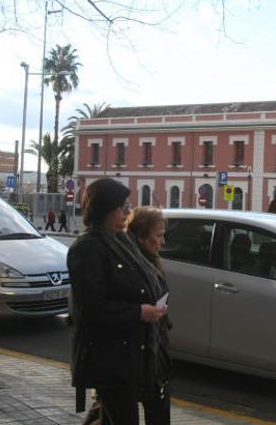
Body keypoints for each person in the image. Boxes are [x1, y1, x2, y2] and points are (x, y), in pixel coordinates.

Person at [67, 179, 169, 425]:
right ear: (104, 208)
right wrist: (138, 312)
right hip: (112, 359)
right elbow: (90, 309)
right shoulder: (88, 248)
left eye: (128, 205)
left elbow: (143, 283)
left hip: (141, 352)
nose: (127, 211)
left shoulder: (123, 242)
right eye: (121, 206)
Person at [126, 206, 173, 424]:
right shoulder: (133, 264)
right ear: (142, 237)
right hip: (139, 350)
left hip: (154, 344)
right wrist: (146, 312)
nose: (162, 241)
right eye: (159, 235)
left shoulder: (152, 260)